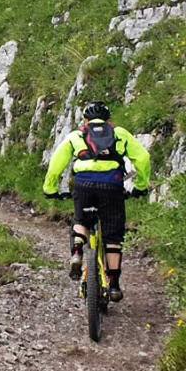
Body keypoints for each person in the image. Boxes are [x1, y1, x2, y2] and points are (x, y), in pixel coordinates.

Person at [42, 102, 151, 302]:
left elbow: (57, 163)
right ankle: (115, 285)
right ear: (109, 120)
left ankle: (76, 251)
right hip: (112, 187)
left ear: (86, 120)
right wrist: (141, 185)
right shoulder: (119, 134)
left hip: (84, 186)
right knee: (113, 236)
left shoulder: (76, 136)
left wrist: (50, 189)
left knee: (82, 220)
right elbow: (143, 158)